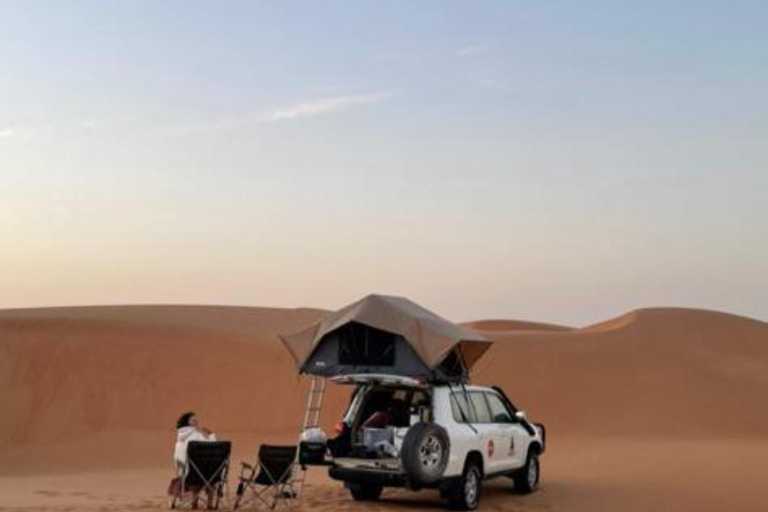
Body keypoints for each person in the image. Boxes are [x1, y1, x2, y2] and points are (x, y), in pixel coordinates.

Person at [168, 412, 218, 508]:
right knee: (205, 472)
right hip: (209, 474)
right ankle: (210, 503)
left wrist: (181, 469)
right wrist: (211, 435)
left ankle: (194, 502)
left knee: (195, 470)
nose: (196, 421)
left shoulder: (181, 438)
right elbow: (212, 448)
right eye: (193, 419)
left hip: (191, 474)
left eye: (196, 419)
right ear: (187, 422)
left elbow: (178, 458)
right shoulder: (196, 435)